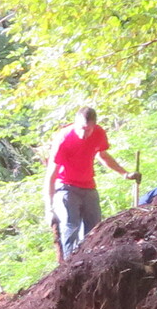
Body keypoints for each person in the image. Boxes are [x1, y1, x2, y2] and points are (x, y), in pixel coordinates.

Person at [48, 107, 130, 256]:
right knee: (71, 226)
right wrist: (49, 207)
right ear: (75, 123)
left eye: (88, 130)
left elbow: (103, 156)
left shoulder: (99, 133)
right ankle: (70, 263)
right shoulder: (64, 139)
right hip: (66, 187)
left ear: (94, 126)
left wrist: (124, 173)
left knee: (95, 229)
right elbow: (51, 175)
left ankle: (91, 260)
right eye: (81, 128)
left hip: (88, 186)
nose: (83, 134)